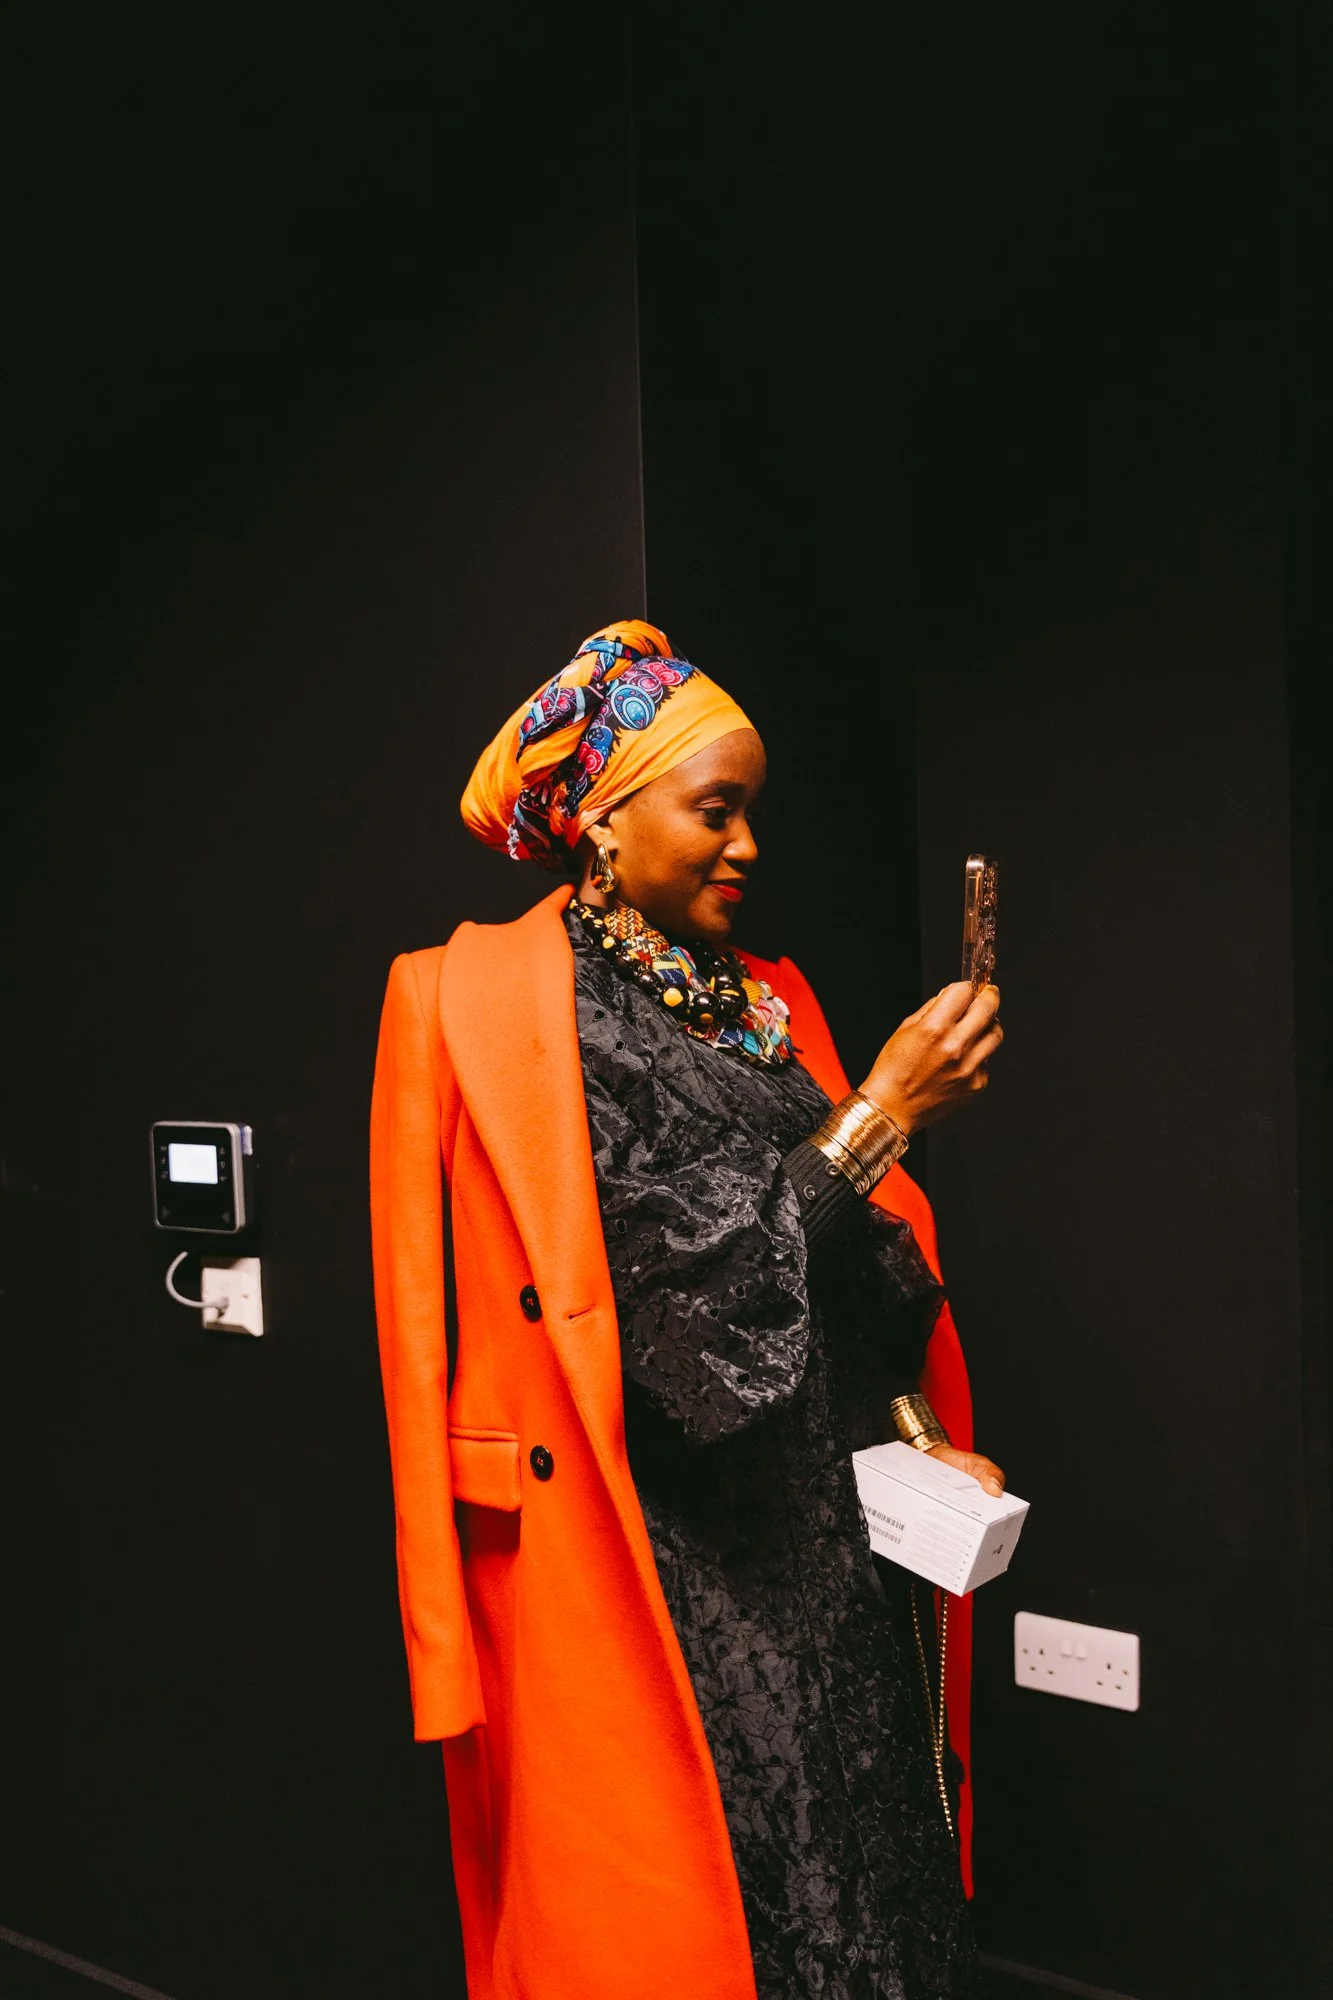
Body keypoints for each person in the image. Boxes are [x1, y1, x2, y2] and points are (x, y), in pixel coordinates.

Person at [370, 620, 1004, 2000]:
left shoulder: (764, 1004)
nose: (747, 846)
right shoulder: (514, 1012)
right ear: (602, 816)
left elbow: (855, 1276)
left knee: (871, 1921)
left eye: (750, 813)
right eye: (713, 809)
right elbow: (684, 1337)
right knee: (722, 1936)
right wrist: (882, 1113)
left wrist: (916, 1435)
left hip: (836, 1575)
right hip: (671, 1586)